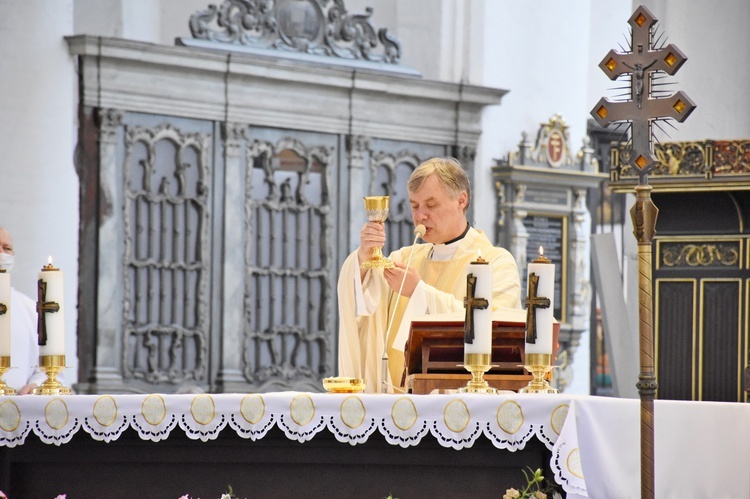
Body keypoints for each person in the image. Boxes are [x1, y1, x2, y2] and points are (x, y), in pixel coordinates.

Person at [337, 157, 521, 392]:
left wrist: (419, 292)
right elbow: (364, 301)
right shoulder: (406, 258)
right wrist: (364, 257)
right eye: (414, 206)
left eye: (431, 205)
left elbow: (492, 332)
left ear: (461, 200)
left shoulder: (495, 263)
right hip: (395, 403)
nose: (420, 215)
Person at [0, 226, 45, 394]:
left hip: (18, 411)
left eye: (7, 248)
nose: (2, 253)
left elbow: (45, 368)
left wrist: (35, 386)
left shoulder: (29, 309)